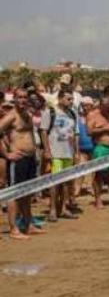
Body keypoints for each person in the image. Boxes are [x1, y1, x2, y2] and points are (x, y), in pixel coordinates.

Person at [0, 87, 44, 240]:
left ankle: (28, 224)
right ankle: (13, 229)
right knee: (15, 193)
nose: (22, 100)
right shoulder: (11, 116)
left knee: (27, 192)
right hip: (17, 160)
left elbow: (29, 134)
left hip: (30, 158)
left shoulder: (27, 114)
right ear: (14, 99)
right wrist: (6, 154)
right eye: (19, 97)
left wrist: (35, 153)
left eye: (25, 97)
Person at [39, 88, 79, 222]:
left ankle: (63, 208)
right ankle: (53, 210)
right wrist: (47, 150)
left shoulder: (72, 114)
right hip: (55, 153)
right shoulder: (50, 112)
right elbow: (44, 132)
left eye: (72, 99)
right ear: (60, 98)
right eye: (68, 99)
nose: (71, 101)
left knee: (67, 183)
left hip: (68, 153)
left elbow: (73, 134)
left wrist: (76, 152)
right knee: (54, 183)